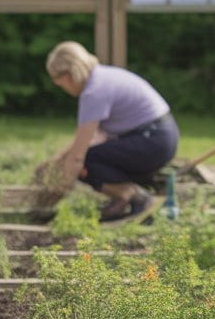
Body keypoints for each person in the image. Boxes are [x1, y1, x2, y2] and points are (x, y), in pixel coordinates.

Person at [45, 40, 179, 220]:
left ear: (69, 74)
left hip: (152, 141)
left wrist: (56, 195)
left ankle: (133, 195)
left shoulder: (93, 92)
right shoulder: (102, 77)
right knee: (90, 157)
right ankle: (124, 197)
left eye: (59, 80)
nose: (58, 85)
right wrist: (60, 158)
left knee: (87, 163)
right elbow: (91, 137)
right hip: (160, 137)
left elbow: (78, 158)